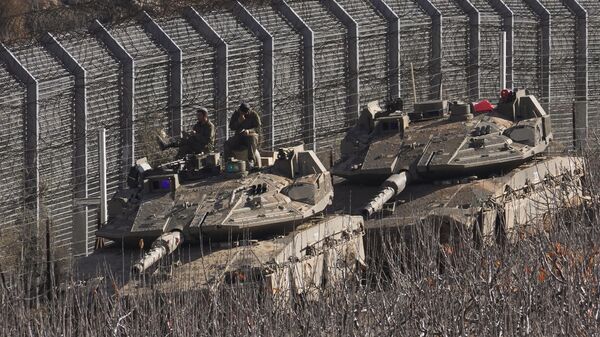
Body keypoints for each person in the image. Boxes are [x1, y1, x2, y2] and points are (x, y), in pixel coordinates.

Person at [224, 102, 262, 166]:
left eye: (245, 112)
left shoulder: (254, 115)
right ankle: (228, 161)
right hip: (239, 135)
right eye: (242, 112)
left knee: (252, 139)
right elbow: (232, 127)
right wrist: (238, 121)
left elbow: (258, 128)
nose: (244, 114)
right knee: (227, 143)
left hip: (250, 136)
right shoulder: (236, 114)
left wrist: (249, 130)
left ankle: (251, 160)